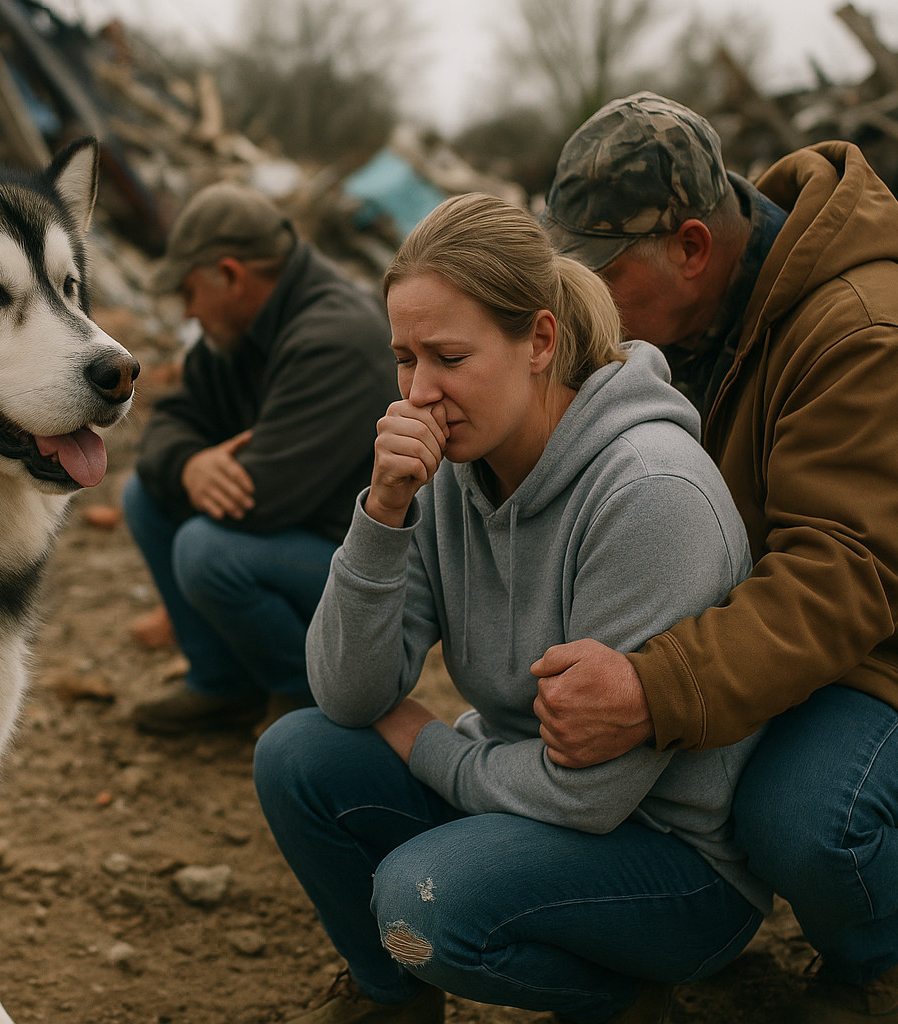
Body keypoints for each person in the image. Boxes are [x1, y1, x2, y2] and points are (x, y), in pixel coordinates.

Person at [255, 192, 769, 1024]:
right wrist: (382, 514)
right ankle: (392, 1001)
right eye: (403, 358)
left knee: (421, 904)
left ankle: (623, 1003)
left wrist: (429, 743)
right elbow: (348, 696)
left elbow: (590, 796)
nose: (419, 394)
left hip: (669, 861)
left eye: (449, 357)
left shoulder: (648, 492)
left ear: (538, 341)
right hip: (523, 794)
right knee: (298, 755)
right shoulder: (458, 463)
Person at [535, 91, 898, 1023]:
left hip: (897, 657)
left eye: (604, 277)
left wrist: (656, 689)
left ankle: (873, 953)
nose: (585, 304)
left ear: (691, 245)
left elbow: (840, 579)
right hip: (757, 615)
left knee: (799, 820)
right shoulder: (693, 314)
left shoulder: (863, 331)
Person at [125, 181, 395, 736]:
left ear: (230, 275)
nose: (189, 312)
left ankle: (311, 691)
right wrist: (188, 464)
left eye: (189, 292)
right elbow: (172, 421)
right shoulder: (239, 333)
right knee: (143, 494)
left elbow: (255, 499)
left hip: (367, 570)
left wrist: (201, 470)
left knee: (206, 551)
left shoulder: (335, 340)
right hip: (298, 538)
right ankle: (225, 687)